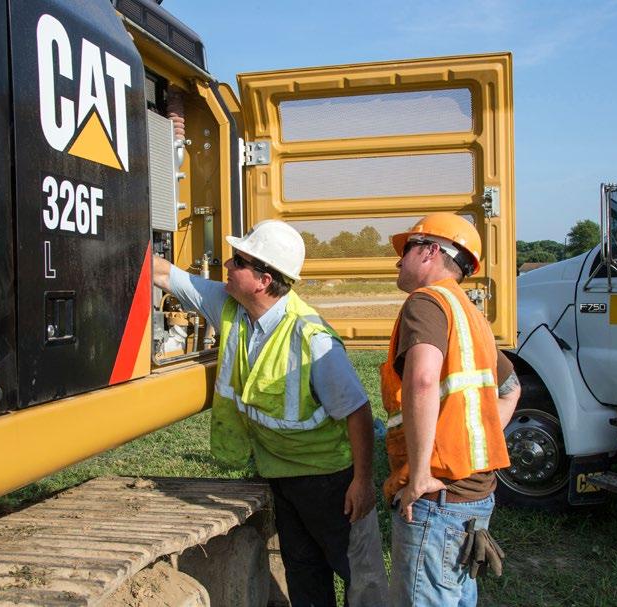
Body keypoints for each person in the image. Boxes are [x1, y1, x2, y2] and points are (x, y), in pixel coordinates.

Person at [153, 219, 388, 607]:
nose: (226, 266)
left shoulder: (310, 336)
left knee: (361, 577)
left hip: (329, 479)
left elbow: (358, 412)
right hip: (281, 475)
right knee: (303, 570)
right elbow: (167, 276)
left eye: (237, 261)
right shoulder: (231, 306)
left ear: (263, 280)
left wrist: (362, 482)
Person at [380, 212, 521, 606]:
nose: (398, 260)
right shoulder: (469, 313)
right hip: (474, 494)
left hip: (437, 500)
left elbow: (423, 380)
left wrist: (420, 475)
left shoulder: (424, 304)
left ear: (429, 252)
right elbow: (511, 389)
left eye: (406, 249)